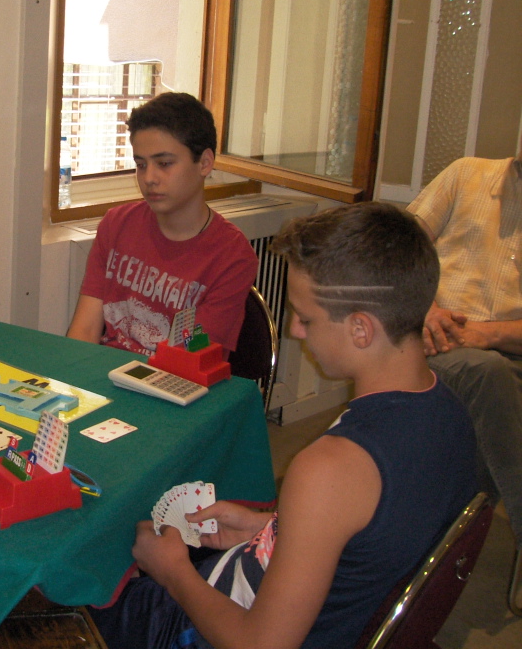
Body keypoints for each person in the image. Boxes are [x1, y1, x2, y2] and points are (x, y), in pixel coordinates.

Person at [90, 203, 477, 649]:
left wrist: (172, 571)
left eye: (306, 318)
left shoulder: (330, 468)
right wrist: (271, 527)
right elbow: (368, 542)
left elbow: (261, 644)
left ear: (361, 330)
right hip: (296, 598)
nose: (295, 330)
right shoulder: (451, 413)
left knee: (69, 591)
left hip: (208, 629)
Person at [406, 152, 522, 612]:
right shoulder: (465, 173)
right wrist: (426, 307)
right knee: (486, 378)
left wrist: (488, 334)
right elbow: (398, 248)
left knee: (490, 383)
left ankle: (432, 553)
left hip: (507, 353)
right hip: (433, 340)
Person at [66, 92, 257, 356]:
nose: (149, 178)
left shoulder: (232, 255)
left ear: (204, 163)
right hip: (107, 372)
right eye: (141, 164)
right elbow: (84, 331)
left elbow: (192, 359)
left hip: (175, 377)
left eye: (164, 163)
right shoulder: (116, 225)